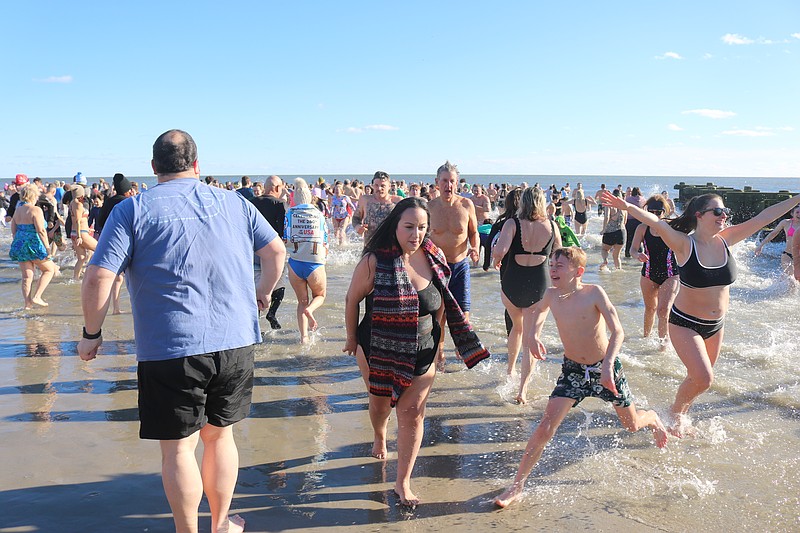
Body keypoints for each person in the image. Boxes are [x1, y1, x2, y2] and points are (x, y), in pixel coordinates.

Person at [78, 129, 285, 533]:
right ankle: (221, 523)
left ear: (153, 167)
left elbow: (99, 276)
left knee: (176, 450)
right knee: (220, 438)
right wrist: (260, 294)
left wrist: (92, 333)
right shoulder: (234, 203)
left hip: (170, 346)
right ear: (197, 165)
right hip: (236, 340)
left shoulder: (133, 209)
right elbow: (276, 251)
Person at [601, 189, 800, 435]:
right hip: (685, 323)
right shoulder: (685, 244)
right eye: (717, 211)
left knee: (698, 381)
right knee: (704, 378)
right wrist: (627, 207)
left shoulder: (727, 239)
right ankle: (673, 414)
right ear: (699, 215)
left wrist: (797, 198)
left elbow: (764, 218)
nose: (723, 215)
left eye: (725, 211)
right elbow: (656, 222)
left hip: (716, 325)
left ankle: (679, 418)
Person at [493, 247, 668, 509]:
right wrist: (532, 337)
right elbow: (537, 314)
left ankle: (652, 417)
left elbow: (617, 332)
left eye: (560, 266)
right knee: (545, 426)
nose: (552, 270)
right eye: (551, 265)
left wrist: (608, 365)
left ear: (579, 272)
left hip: (605, 368)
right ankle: (517, 485)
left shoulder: (594, 293)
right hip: (573, 371)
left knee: (631, 424)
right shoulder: (551, 294)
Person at [343, 197, 490, 507]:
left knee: (412, 415)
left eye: (422, 228)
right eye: (409, 227)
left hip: (422, 350)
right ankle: (380, 434)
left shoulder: (434, 257)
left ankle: (402, 482)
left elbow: (440, 306)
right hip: (377, 348)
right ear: (395, 226)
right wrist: (351, 338)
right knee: (380, 406)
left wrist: (439, 346)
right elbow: (352, 300)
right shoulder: (374, 261)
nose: (416, 234)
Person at [492, 187, 561, 402]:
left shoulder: (512, 223)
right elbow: (559, 255)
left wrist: (496, 261)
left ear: (523, 202)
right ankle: (522, 391)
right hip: (539, 285)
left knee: (517, 327)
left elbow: (500, 250)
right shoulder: (552, 225)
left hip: (513, 283)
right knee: (533, 336)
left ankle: (510, 370)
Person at [428, 161, 479, 370]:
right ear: (437, 183)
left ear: (457, 183)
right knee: (439, 314)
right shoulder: (429, 207)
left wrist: (475, 248)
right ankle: (439, 354)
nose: (449, 185)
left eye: (452, 181)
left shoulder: (466, 205)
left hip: (460, 266)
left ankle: (462, 348)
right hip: (437, 268)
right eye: (445, 181)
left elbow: (474, 232)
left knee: (463, 314)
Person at [629, 195, 679, 347]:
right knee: (650, 309)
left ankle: (663, 346)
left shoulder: (673, 226)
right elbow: (632, 249)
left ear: (665, 212)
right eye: (651, 211)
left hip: (670, 274)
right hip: (649, 274)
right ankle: (645, 339)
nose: (655, 215)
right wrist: (637, 254)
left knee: (663, 311)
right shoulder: (642, 228)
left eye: (659, 212)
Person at [284, 178, 328, 344]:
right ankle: (311, 309)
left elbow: (286, 236)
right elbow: (325, 240)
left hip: (295, 264)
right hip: (315, 263)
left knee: (301, 301)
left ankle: (304, 337)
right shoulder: (319, 215)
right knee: (320, 295)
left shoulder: (289, 213)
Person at [9, 185, 58, 309]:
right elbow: (41, 230)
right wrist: (47, 248)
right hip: (34, 244)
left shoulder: (17, 210)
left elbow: (13, 230)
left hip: (20, 244)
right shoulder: (36, 210)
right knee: (49, 270)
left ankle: (27, 304)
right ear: (33, 196)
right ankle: (37, 296)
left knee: (27, 276)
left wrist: (18, 242)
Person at [94, 173, 136, 314]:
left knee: (112, 276)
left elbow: (99, 222)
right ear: (127, 190)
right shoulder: (129, 202)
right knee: (127, 276)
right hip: (126, 241)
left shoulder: (109, 201)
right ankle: (126, 307)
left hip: (107, 239)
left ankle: (114, 308)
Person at [250, 175, 288, 329]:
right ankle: (272, 312)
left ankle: (254, 323)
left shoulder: (250, 203)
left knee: (254, 286)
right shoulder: (280, 204)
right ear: (277, 188)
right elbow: (282, 231)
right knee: (279, 285)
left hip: (252, 251)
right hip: (273, 252)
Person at [352, 171, 402, 245]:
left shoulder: (397, 201)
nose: (379, 188)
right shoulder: (365, 200)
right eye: (376, 185)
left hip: (392, 246)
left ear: (389, 186)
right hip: (370, 247)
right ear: (372, 185)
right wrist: (358, 227)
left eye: (383, 186)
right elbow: (356, 218)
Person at [755, 205, 800, 274]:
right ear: (792, 213)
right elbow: (773, 233)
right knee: (791, 277)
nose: (799, 214)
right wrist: (761, 245)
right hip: (787, 255)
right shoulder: (786, 223)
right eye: (797, 212)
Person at [69, 185, 98, 281]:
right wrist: (79, 236)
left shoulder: (72, 203)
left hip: (76, 232)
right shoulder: (78, 205)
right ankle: (93, 273)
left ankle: (75, 279)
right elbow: (77, 220)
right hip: (80, 233)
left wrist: (87, 229)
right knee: (99, 249)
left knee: (82, 258)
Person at [600, 189, 627, 271]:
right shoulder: (624, 207)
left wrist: (603, 229)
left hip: (610, 232)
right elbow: (625, 221)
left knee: (604, 249)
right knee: (616, 255)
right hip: (621, 232)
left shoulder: (609, 205)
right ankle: (618, 271)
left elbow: (607, 217)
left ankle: (605, 261)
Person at [625, 187, 647, 257]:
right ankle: (640, 254)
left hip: (630, 222)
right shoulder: (643, 199)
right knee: (639, 239)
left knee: (629, 239)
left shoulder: (628, 199)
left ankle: (627, 255)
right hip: (640, 221)